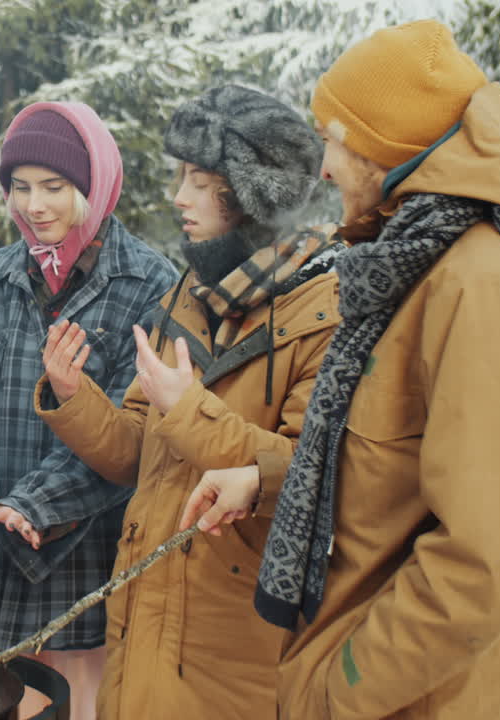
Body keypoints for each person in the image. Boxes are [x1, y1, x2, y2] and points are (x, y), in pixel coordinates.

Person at [187, 20, 500, 719]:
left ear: (388, 146)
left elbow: (494, 559)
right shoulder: (416, 267)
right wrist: (266, 479)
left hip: (422, 699)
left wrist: (340, 688)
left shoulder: (480, 285)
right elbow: (395, 470)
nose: (324, 167)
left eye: (335, 140)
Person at [35, 85, 339, 719]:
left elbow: (314, 472)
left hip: (233, 649)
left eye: (200, 182)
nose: (179, 197)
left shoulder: (326, 312)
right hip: (143, 626)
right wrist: (73, 396)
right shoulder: (192, 290)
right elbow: (135, 454)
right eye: (181, 177)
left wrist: (187, 411)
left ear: (254, 194)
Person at [0, 101, 178, 720]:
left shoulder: (150, 285)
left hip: (82, 575)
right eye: (21, 187)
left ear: (94, 185)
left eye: (54, 187)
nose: (35, 205)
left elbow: (133, 437)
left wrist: (31, 504)